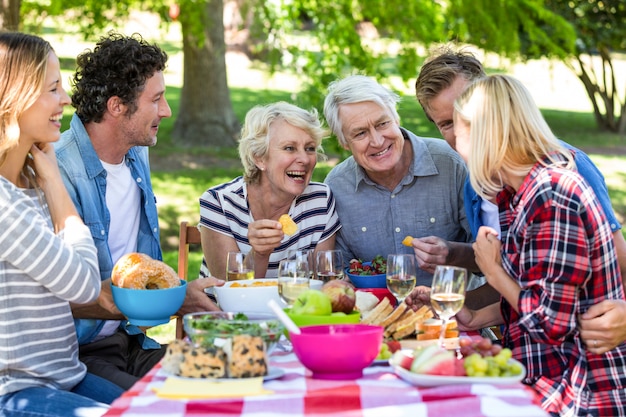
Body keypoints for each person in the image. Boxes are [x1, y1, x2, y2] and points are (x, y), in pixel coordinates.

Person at [411, 45, 626, 353]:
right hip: (526, 350)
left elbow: (614, 265)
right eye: (448, 124)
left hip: (581, 361)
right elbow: (529, 276)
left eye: (468, 114)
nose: (460, 133)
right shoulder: (480, 186)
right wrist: (469, 312)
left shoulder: (561, 175)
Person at [54, 32, 223, 391]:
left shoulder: (136, 153)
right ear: (117, 106)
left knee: (226, 376)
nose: (167, 110)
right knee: (157, 405)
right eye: (157, 99)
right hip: (76, 353)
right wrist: (177, 297)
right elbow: (61, 296)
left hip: (132, 341)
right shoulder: (58, 171)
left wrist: (178, 294)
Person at [453, 73, 626, 416]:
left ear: (482, 135)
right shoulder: (517, 195)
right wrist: (473, 317)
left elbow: (551, 324)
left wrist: (492, 269)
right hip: (542, 378)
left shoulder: (552, 195)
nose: (457, 148)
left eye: (458, 134)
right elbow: (544, 294)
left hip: (578, 393)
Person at [0, 31, 124, 416]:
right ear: (15, 97)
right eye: (53, 88)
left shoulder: (29, 185)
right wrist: (55, 179)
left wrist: (46, 178)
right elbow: (84, 284)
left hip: (65, 376)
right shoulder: (4, 203)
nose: (65, 100)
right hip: (15, 391)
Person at [323, 74, 477, 289]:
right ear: (344, 143)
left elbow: (494, 256)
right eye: (360, 133)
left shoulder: (451, 164)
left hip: (452, 314)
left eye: (382, 123)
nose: (377, 141)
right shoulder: (337, 187)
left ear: (396, 119)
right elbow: (342, 275)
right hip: (374, 317)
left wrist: (452, 253)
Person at [199, 101, 341, 279]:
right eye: (289, 148)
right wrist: (259, 254)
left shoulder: (321, 200)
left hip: (294, 306)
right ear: (259, 158)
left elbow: (321, 284)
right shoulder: (219, 202)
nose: (304, 159)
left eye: (310, 148)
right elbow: (229, 290)